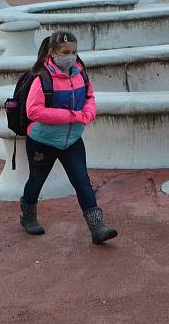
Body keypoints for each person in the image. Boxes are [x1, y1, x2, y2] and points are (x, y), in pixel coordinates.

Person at [19, 32, 118, 244]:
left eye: (74, 52)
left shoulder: (80, 73)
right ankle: (28, 216)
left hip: (72, 140)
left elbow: (89, 96)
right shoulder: (42, 77)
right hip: (43, 141)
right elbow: (33, 111)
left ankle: (97, 227)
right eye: (66, 52)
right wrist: (72, 116)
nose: (71, 57)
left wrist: (89, 112)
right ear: (53, 52)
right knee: (37, 180)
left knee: (82, 181)